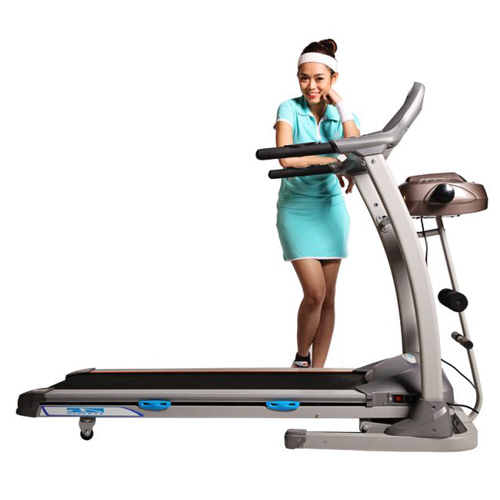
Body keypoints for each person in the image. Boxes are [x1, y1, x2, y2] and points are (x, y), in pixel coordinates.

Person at [274, 39, 361, 369]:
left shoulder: (340, 114)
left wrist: (342, 105)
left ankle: (319, 371)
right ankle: (301, 359)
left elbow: (356, 148)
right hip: (296, 209)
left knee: (329, 297)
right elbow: (285, 156)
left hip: (330, 210)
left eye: (319, 79)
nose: (311, 86)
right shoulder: (288, 109)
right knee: (315, 294)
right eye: (304, 78)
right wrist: (331, 161)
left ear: (333, 78)